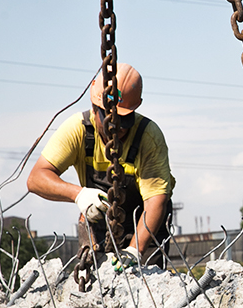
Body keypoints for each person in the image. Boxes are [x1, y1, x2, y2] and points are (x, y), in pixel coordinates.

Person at [27, 63, 174, 270]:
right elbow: (36, 179)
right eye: (108, 117)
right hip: (100, 225)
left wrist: (135, 251)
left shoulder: (148, 137)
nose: (116, 129)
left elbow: (155, 200)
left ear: (136, 107)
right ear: (94, 106)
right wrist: (78, 195)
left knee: (147, 285)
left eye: (123, 121)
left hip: (145, 227)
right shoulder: (77, 130)